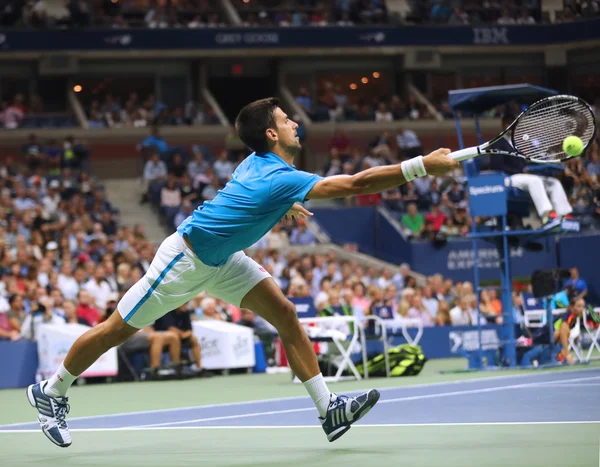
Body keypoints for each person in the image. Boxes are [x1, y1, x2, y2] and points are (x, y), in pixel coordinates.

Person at [27, 97, 458, 447]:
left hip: (224, 259)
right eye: (287, 120)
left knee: (286, 314)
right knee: (117, 329)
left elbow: (249, 195)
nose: (295, 124)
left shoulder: (259, 163)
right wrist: (421, 165)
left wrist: (282, 203)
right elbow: (356, 185)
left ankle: (329, 411)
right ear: (271, 133)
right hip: (185, 260)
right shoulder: (274, 176)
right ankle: (52, 391)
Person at [489, 114, 573, 224]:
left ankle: (563, 214)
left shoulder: (518, 143)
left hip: (523, 177)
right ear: (503, 126)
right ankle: (546, 215)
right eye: (508, 124)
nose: (511, 127)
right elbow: (497, 166)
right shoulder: (497, 143)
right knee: (535, 181)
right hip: (507, 178)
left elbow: (527, 163)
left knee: (553, 182)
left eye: (513, 125)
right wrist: (521, 171)